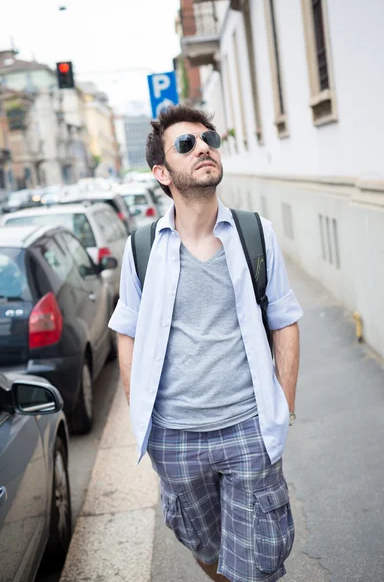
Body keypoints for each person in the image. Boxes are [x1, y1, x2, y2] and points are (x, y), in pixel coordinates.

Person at [109, 105, 303, 582]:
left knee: (258, 563)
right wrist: (142, 413)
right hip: (174, 437)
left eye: (209, 139)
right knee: (206, 548)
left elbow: (285, 319)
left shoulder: (256, 233)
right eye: (186, 144)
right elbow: (126, 330)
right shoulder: (141, 248)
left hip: (246, 427)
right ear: (162, 173)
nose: (203, 148)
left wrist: (283, 406)